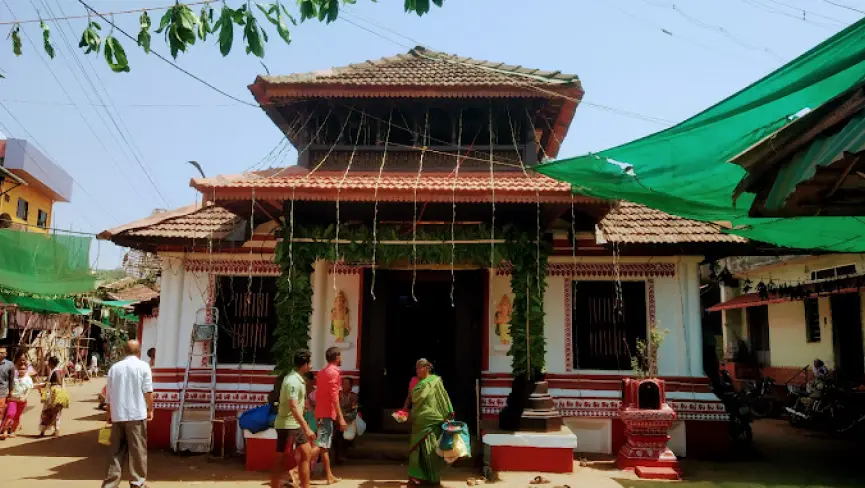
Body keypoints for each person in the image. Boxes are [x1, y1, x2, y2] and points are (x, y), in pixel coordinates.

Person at [101, 340, 154, 488]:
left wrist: (109, 415)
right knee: (138, 451)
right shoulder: (143, 367)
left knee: (115, 452)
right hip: (137, 415)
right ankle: (137, 482)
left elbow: (109, 395)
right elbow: (148, 392)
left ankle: (110, 484)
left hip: (118, 415)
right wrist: (150, 409)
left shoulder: (114, 368)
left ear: (123, 351)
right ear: (139, 352)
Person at [272, 349, 319, 488]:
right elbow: (292, 406)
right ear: (305, 364)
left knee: (302, 454)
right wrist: (307, 428)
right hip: (290, 425)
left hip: (289, 424)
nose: (310, 365)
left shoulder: (294, 378)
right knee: (293, 457)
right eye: (309, 363)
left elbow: (294, 404)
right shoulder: (293, 380)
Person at [407, 358, 454, 486]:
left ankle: (433, 477)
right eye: (416, 368)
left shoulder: (435, 381)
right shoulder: (415, 382)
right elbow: (411, 397)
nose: (418, 370)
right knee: (417, 450)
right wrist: (405, 410)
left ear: (428, 368)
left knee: (432, 450)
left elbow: (443, 397)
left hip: (433, 419)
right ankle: (417, 476)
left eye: (420, 367)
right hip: (419, 420)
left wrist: (448, 413)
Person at [315, 347, 347, 484]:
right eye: (341, 356)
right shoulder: (335, 373)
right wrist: (341, 417)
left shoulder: (322, 373)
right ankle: (295, 470)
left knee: (324, 446)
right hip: (327, 413)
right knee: (321, 445)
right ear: (337, 357)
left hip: (321, 411)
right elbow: (334, 397)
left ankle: (329, 476)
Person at [2, 355, 35, 439]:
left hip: (21, 400)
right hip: (13, 399)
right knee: (10, 414)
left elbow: (29, 389)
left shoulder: (28, 379)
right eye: (20, 369)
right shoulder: (14, 377)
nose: (22, 371)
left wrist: (25, 396)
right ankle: (4, 430)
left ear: (26, 370)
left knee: (16, 416)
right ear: (18, 370)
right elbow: (10, 386)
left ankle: (13, 431)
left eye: (24, 369)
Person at [38, 356, 70, 437]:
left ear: (51, 363)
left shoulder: (56, 371)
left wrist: (50, 386)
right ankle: (46, 431)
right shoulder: (54, 371)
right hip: (52, 396)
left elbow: (58, 383)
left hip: (54, 396)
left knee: (53, 413)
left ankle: (54, 431)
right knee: (51, 413)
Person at [0, 345, 14, 437]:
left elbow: (11, 379)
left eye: (2, 352)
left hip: (2, 392)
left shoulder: (10, 365)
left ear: (6, 354)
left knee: (1, 411)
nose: (0, 354)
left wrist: (10, 391)